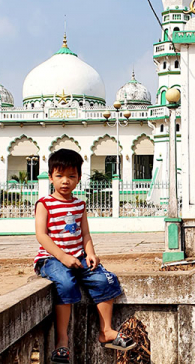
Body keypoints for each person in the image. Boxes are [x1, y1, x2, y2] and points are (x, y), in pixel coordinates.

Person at [34, 148, 135, 363]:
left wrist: (90, 253)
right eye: (60, 176)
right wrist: (62, 257)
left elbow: (85, 233)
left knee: (104, 279)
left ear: (79, 178)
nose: (65, 181)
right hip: (51, 259)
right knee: (66, 283)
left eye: (71, 176)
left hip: (78, 256)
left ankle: (106, 330)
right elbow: (41, 236)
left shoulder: (79, 204)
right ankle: (62, 341)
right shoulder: (45, 204)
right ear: (50, 176)